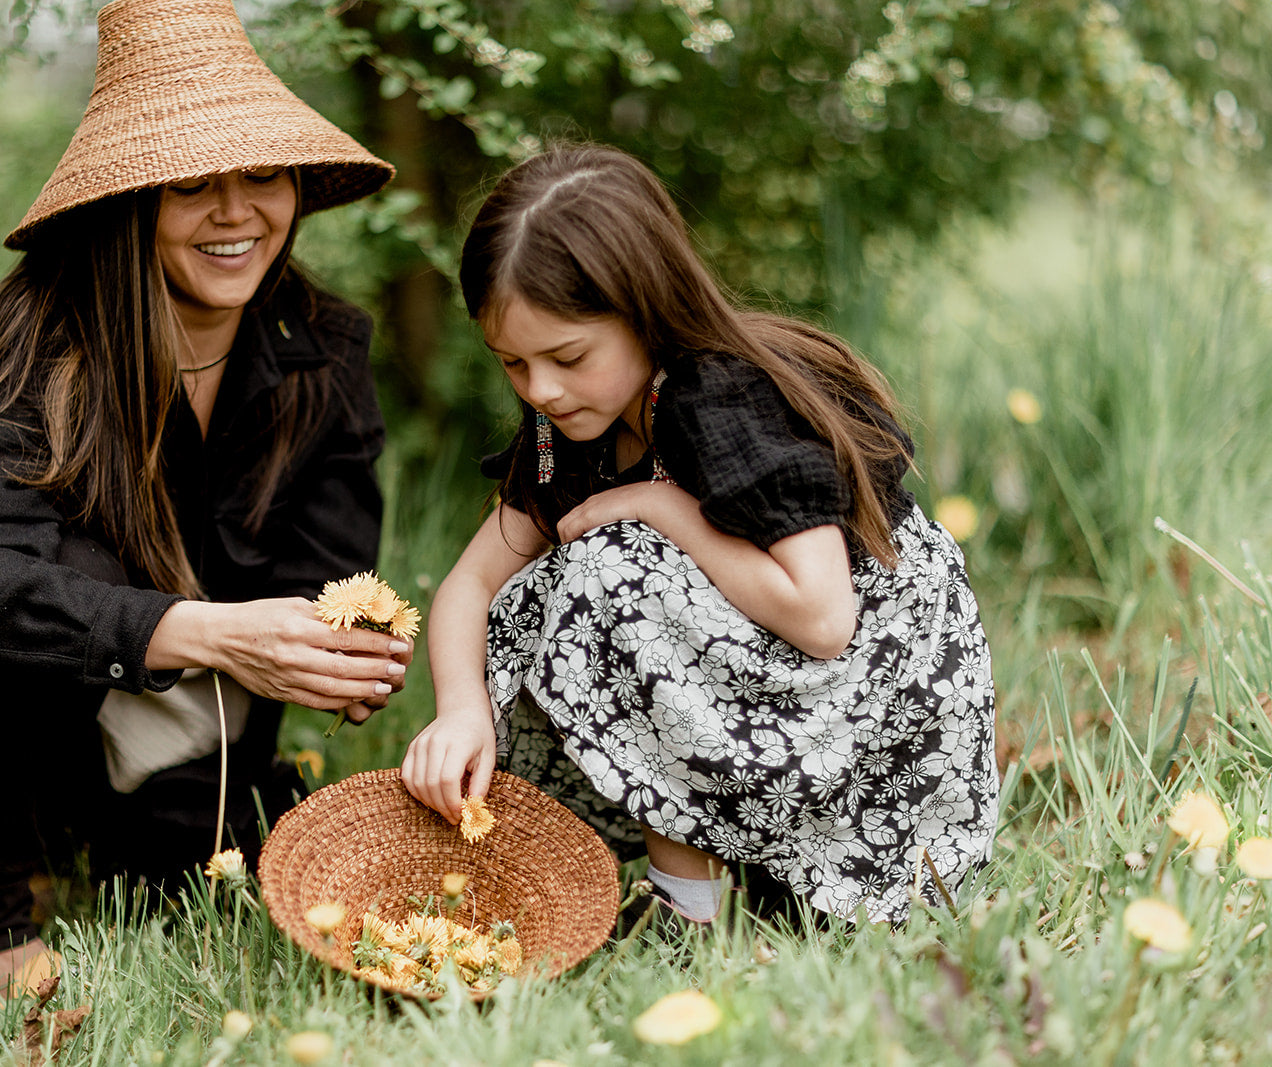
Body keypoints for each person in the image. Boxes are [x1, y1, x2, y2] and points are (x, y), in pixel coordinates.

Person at [0, 0, 407, 998]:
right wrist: (206, 632)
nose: (236, 212)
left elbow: (323, 574)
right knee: (66, 570)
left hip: (181, 715)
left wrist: (335, 650)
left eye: (261, 173)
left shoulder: (323, 346)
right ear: (132, 199)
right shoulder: (39, 333)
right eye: (192, 183)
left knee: (183, 876)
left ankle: (104, 819)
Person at [401, 144, 997, 927]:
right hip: (769, 688)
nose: (540, 389)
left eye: (567, 356)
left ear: (643, 309)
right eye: (512, 362)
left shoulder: (720, 400)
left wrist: (660, 506)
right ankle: (690, 891)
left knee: (608, 570)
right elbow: (469, 586)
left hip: (870, 700)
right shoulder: (570, 427)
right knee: (538, 590)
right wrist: (460, 709)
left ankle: (696, 913)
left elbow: (824, 620)